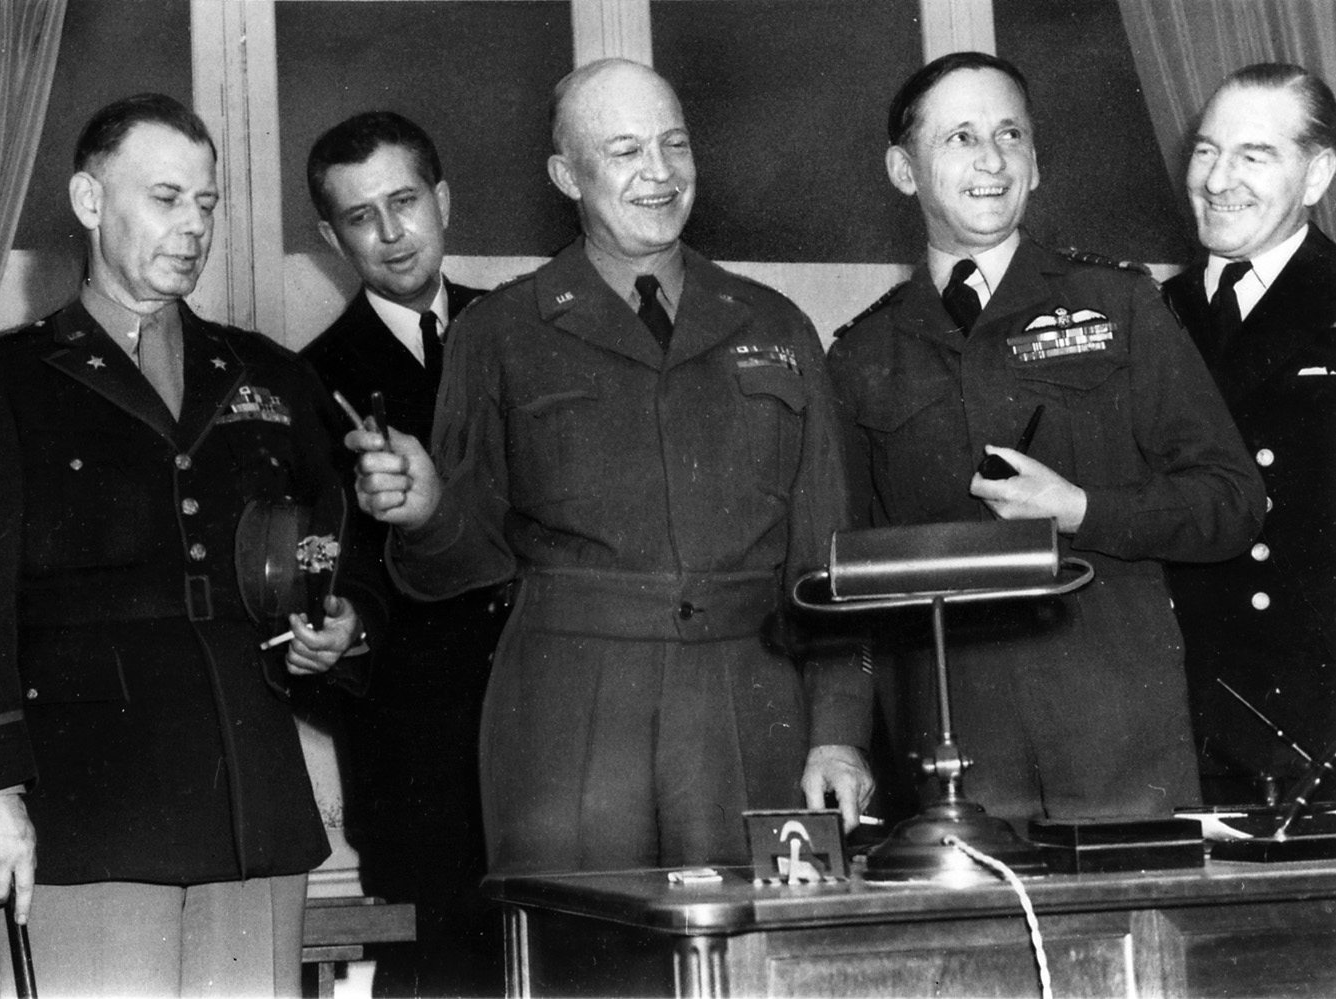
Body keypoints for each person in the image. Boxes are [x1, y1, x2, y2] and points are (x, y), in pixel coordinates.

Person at [0, 93, 386, 997]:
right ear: (89, 202)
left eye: (207, 204)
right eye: (166, 198)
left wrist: (348, 622)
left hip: (249, 799)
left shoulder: (270, 375)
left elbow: (344, 545)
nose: (194, 225)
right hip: (90, 808)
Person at [351, 58, 874, 877]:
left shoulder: (775, 323)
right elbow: (460, 561)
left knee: (759, 961)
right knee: (583, 963)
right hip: (570, 711)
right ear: (567, 174)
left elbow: (828, 563)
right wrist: (422, 511)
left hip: (751, 701)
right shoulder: (500, 333)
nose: (659, 173)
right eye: (625, 150)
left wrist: (837, 731)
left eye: (674, 144)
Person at [826, 51, 1263, 826]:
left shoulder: (1117, 305)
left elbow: (1230, 502)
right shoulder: (863, 353)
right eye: (959, 136)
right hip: (949, 759)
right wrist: (842, 739)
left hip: (1116, 744)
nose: (990, 158)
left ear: (1035, 164)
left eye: (1010, 134)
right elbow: (844, 574)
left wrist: (1083, 510)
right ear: (902, 170)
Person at [301, 110, 508, 997]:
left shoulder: (526, 331)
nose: (389, 234)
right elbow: (325, 585)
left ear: (443, 200)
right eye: (359, 216)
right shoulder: (307, 380)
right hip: (416, 752)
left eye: (404, 201)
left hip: (549, 722)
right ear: (328, 236)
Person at [1162, 64, 1336, 804]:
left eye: (1252, 155)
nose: (1217, 178)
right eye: (1205, 151)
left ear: (1316, 173)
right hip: (1176, 719)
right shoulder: (1148, 316)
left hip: (1314, 721)